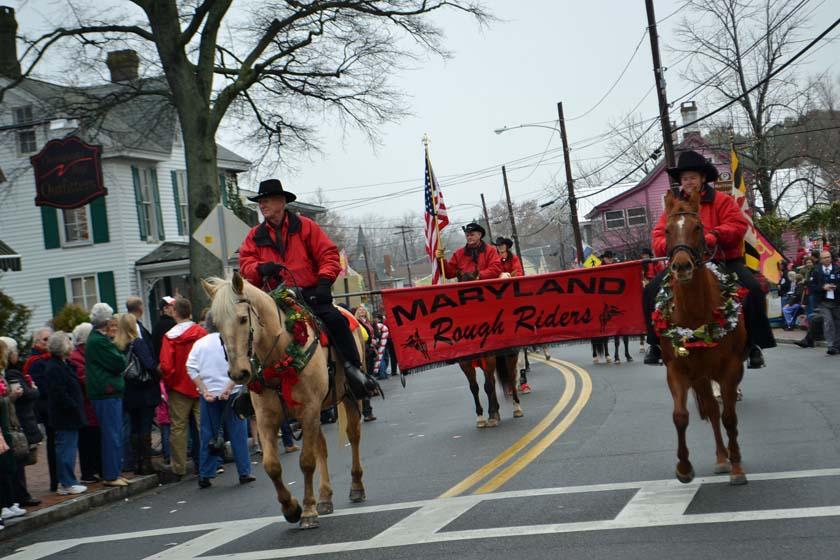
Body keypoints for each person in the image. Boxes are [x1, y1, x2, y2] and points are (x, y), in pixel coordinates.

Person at [238, 179, 378, 400]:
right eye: (260, 201)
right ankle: (251, 386)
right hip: (272, 299)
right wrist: (260, 268)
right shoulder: (254, 236)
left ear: (281, 201)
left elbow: (328, 256)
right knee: (248, 331)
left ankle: (354, 371)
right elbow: (245, 265)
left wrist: (323, 283)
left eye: (266, 200)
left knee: (336, 320)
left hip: (310, 293)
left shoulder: (305, 227)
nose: (262, 205)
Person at [643, 150, 776, 368]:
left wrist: (714, 236)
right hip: (685, 262)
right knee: (650, 291)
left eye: (692, 177)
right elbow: (658, 235)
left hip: (724, 261)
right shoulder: (674, 207)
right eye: (684, 178)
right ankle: (654, 345)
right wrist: (674, 244)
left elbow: (738, 225)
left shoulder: (722, 201)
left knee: (752, 289)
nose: (688, 182)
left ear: (703, 178)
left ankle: (754, 344)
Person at [186, 313, 255, 489]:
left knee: (208, 433)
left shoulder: (199, 344)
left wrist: (204, 390)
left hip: (209, 395)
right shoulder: (230, 342)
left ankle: (206, 473)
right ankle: (244, 471)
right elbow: (242, 366)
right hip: (231, 393)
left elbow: (191, 368)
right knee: (237, 433)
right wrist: (229, 387)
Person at [159, 297, 206, 479]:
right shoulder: (201, 332)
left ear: (175, 312)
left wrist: (170, 383)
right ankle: (207, 462)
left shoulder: (170, 337)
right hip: (200, 384)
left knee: (178, 428)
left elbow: (166, 366)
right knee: (204, 426)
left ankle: (178, 467)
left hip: (179, 386)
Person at [85, 303, 129, 487]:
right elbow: (119, 362)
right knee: (112, 434)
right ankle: (111, 475)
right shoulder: (98, 341)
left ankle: (115, 472)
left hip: (109, 391)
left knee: (115, 433)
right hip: (106, 392)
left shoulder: (99, 339)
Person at [114, 313, 161, 475]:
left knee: (133, 427)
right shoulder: (137, 343)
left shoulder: (117, 346)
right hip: (144, 390)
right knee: (145, 427)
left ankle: (136, 462)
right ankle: (146, 462)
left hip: (128, 392)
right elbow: (149, 364)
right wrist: (157, 377)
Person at [43, 332, 88, 495]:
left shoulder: (63, 365)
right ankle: (67, 482)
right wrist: (74, 406)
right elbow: (59, 393)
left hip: (69, 414)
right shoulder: (54, 368)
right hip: (65, 415)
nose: (71, 345)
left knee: (68, 448)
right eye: (68, 342)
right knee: (65, 449)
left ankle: (68, 480)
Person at [0, 337, 42, 507]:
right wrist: (26, 391)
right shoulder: (10, 374)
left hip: (12, 419)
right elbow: (21, 395)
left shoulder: (8, 373)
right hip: (11, 421)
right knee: (14, 461)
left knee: (16, 460)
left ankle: (13, 500)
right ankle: (14, 499)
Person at [69, 323, 101, 484]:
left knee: (95, 438)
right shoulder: (76, 357)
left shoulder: (86, 354)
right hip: (86, 405)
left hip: (92, 404)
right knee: (88, 440)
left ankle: (97, 468)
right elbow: (84, 378)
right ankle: (88, 472)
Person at [23, 326, 55, 491]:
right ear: (37, 342)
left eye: (50, 338)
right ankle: (55, 481)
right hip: (45, 407)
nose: (48, 342)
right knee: (53, 443)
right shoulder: (35, 361)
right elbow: (41, 387)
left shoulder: (49, 358)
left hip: (51, 405)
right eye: (45, 339)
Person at [0, 340, 27, 525]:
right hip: (3, 424)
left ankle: (9, 503)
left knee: (7, 465)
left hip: (5, 424)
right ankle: (4, 505)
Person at [437, 222, 502, 281]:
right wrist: (441, 260)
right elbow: (449, 273)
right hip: (464, 290)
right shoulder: (459, 254)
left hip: (486, 288)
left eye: (472, 235)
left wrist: (478, 276)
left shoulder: (490, 250)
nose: (469, 237)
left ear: (479, 235)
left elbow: (496, 269)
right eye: (467, 235)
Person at [808, 251, 840, 355]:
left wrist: (836, 287)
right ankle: (830, 345)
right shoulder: (816, 271)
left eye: (828, 257)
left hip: (836, 301)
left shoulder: (837, 269)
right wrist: (822, 287)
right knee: (828, 322)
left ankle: (837, 345)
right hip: (823, 302)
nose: (827, 259)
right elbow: (811, 287)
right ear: (821, 260)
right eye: (824, 258)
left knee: (838, 323)